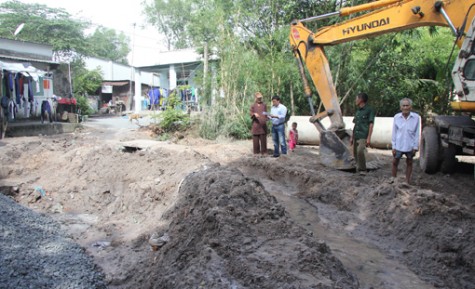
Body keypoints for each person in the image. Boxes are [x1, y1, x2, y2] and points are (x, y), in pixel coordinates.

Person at [391, 97, 420, 184]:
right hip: (399, 145)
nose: (405, 107)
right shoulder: (397, 117)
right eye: (403, 105)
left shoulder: (416, 118)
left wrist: (415, 146)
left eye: (407, 105)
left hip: (410, 145)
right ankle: (393, 180)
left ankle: (407, 181)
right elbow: (394, 132)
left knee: (410, 162)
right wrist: (393, 146)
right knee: (395, 162)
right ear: (401, 107)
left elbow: (417, 133)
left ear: (410, 107)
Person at [350, 92, 375, 175]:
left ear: (361, 100)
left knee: (360, 150)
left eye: (356, 98)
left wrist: (369, 138)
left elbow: (371, 124)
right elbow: (355, 124)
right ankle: (358, 167)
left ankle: (363, 169)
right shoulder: (358, 111)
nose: (355, 100)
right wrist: (352, 136)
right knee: (355, 153)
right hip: (356, 135)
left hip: (363, 135)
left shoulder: (369, 110)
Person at [250, 92, 268, 156]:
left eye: (260, 98)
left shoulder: (264, 105)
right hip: (255, 125)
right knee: (255, 141)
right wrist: (254, 114)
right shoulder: (253, 105)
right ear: (255, 98)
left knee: (263, 140)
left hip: (263, 125)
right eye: (258, 98)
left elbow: (266, 113)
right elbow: (251, 114)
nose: (259, 99)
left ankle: (264, 153)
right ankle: (256, 153)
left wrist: (269, 116)